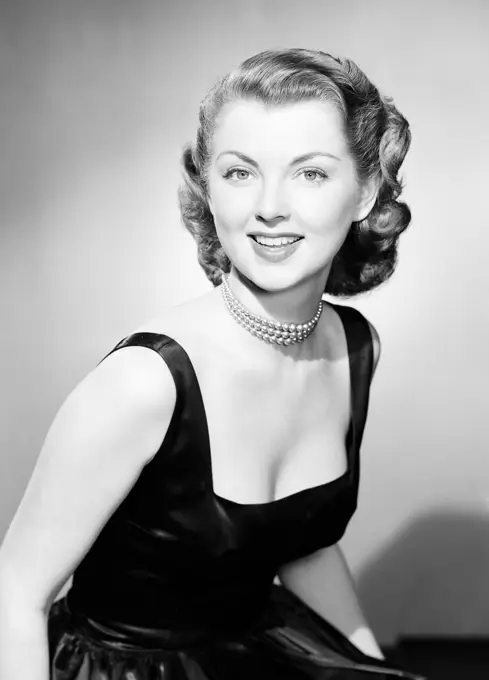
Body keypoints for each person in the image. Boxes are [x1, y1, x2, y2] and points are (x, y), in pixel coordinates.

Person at [0, 47, 425, 679]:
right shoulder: (143, 384)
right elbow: (16, 594)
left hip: (255, 650)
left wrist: (369, 665)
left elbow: (302, 546)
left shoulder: (354, 346)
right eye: (239, 172)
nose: (270, 206)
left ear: (365, 191)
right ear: (209, 185)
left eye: (310, 173)